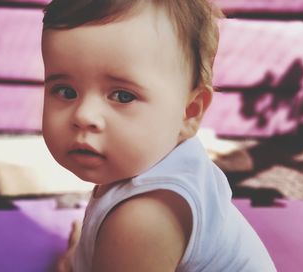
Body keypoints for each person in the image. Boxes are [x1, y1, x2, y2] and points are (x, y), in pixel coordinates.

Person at [41, 0, 276, 271]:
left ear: (188, 112)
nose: (84, 116)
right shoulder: (159, 154)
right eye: (66, 91)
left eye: (122, 95)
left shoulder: (143, 220)